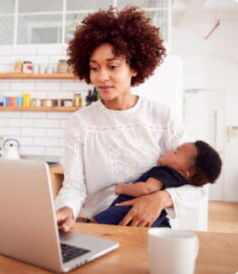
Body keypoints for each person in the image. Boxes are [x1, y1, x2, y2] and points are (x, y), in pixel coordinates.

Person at [55, 6, 207, 232]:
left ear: (134, 67)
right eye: (94, 68)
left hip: (151, 229)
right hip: (99, 226)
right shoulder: (81, 123)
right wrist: (66, 210)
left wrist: (160, 199)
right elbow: (74, 187)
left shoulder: (161, 117)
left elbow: (198, 185)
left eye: (113, 66)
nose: (101, 76)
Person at [93, 140, 222, 226]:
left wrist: (121, 188)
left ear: (184, 172)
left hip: (129, 209)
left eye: (176, 152)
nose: (171, 150)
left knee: (97, 223)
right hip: (154, 219)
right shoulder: (180, 182)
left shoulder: (165, 172)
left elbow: (148, 189)